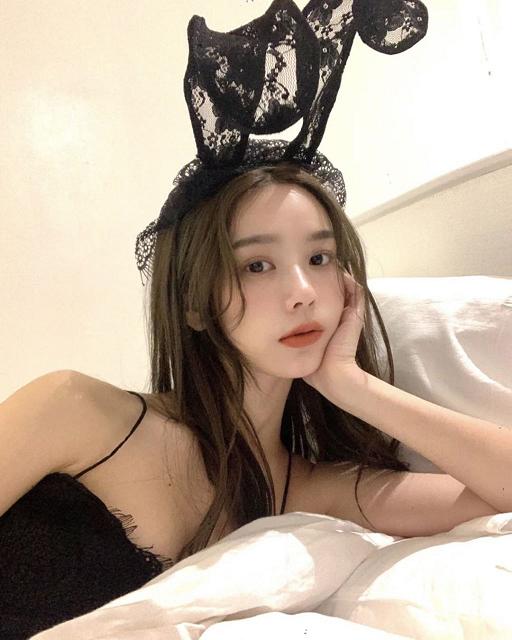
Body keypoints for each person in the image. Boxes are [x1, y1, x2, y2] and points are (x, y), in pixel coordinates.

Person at [2, 0, 510, 637]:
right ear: (193, 302)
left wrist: (353, 386)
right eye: (257, 265)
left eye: (320, 257)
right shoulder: (75, 410)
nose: (302, 292)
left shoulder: (306, 491)